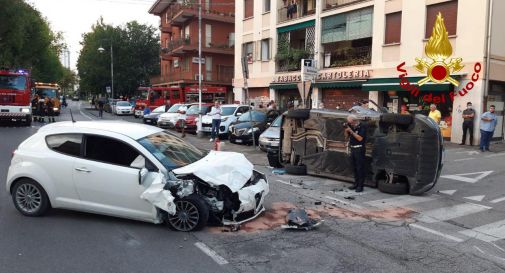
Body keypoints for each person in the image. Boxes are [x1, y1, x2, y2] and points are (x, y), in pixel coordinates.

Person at [344, 115, 367, 193]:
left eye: (351, 123)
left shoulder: (362, 127)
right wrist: (346, 131)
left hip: (359, 149)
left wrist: (351, 131)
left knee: (360, 168)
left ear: (354, 120)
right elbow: (346, 137)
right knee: (354, 167)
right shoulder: (351, 126)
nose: (351, 124)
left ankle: (360, 186)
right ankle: (356, 183)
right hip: (353, 148)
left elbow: (360, 138)